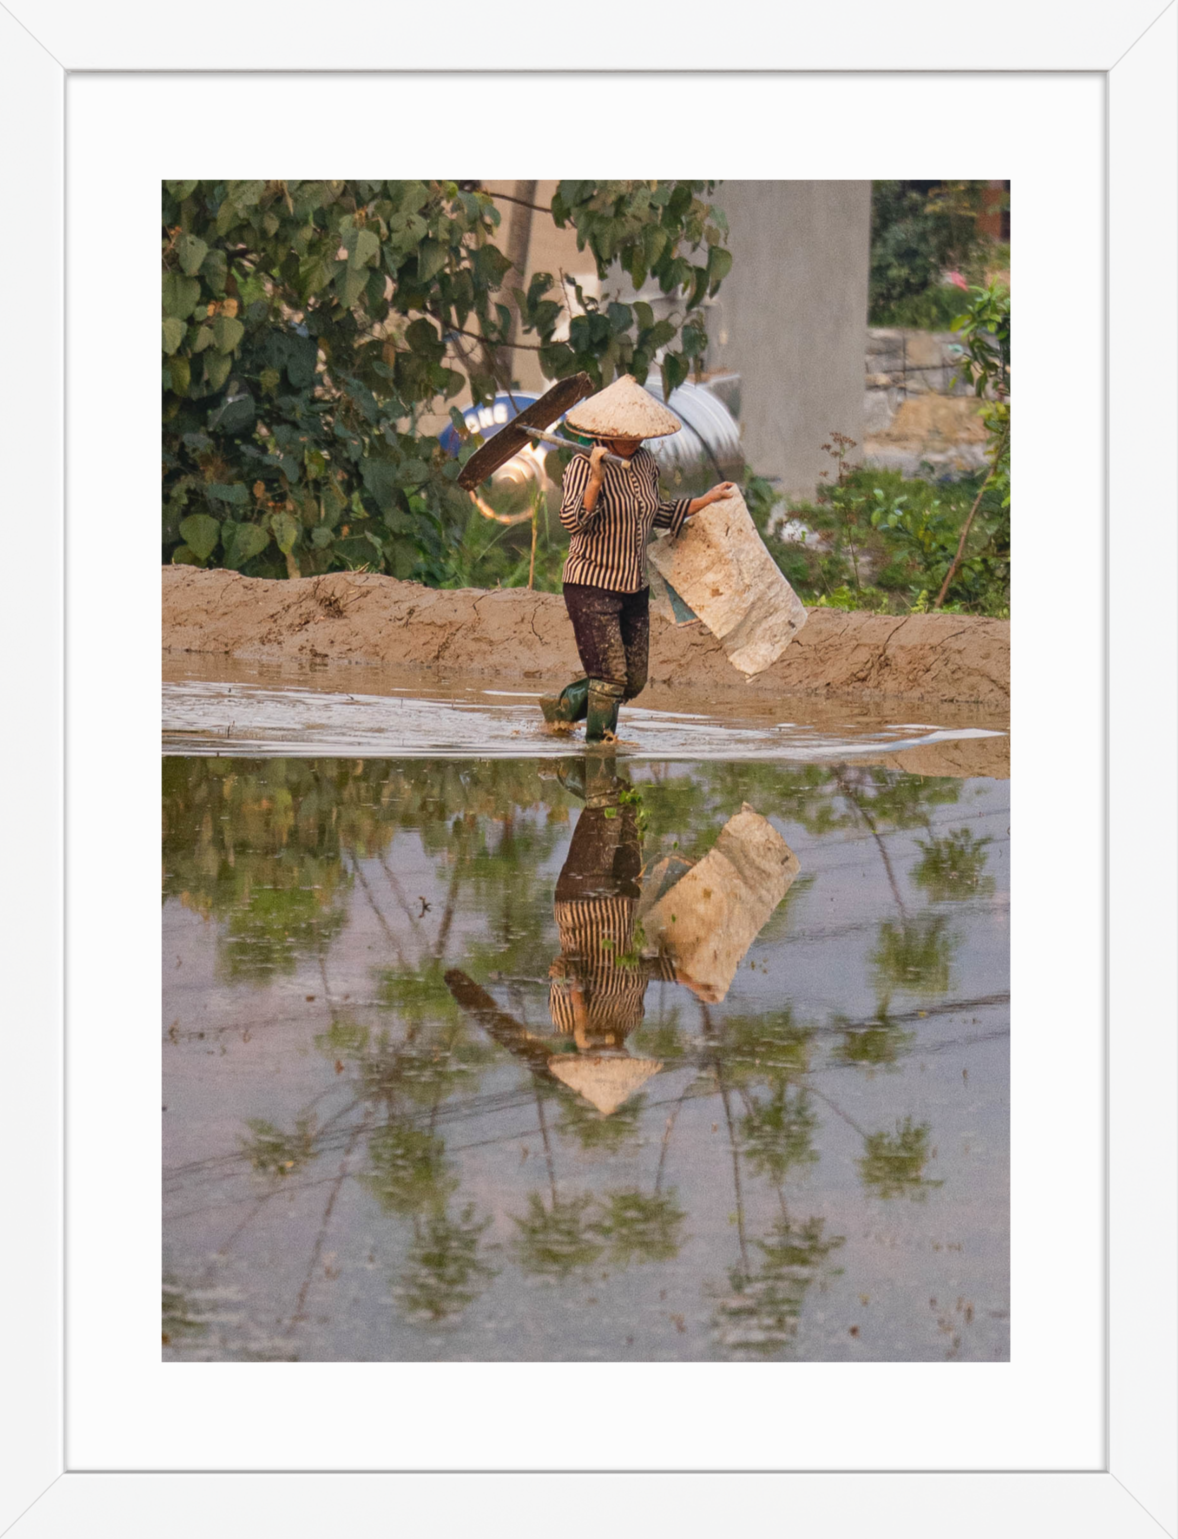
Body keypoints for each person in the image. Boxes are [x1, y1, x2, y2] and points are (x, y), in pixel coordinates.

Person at [540, 375, 736, 742]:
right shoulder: (582, 465)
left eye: (639, 433)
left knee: (633, 681)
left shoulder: (645, 463)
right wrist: (596, 480)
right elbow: (573, 523)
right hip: (591, 585)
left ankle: (562, 710)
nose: (634, 439)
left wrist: (706, 500)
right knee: (610, 677)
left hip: (633, 587)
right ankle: (600, 750)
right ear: (606, 430)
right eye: (626, 433)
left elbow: (655, 512)